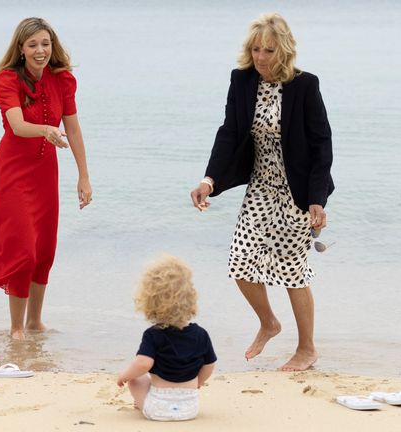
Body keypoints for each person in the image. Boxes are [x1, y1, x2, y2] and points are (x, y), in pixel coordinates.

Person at [189, 13, 334, 371]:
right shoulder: (241, 81)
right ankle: (269, 323)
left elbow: (321, 144)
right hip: (260, 189)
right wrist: (209, 180)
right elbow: (229, 132)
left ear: (282, 51)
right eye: (256, 49)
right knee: (240, 261)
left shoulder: (305, 86)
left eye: (269, 50)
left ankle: (306, 349)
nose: (261, 57)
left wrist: (317, 198)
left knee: (291, 270)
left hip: (296, 192)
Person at [0, 17, 92, 340]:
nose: (40, 50)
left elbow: (72, 128)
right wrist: (45, 130)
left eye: (45, 43)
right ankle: (16, 328)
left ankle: (35, 323)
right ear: (21, 49)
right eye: (33, 45)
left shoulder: (63, 80)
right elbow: (16, 125)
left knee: (44, 249)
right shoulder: (6, 80)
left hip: (45, 173)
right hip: (12, 172)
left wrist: (84, 176)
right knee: (22, 250)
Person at [117, 255, 217, 421]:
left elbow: (143, 363)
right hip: (190, 408)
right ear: (190, 298)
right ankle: (151, 400)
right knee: (147, 378)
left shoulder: (153, 335)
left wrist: (124, 376)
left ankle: (141, 402)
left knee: (136, 378)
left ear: (149, 301)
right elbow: (209, 365)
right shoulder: (201, 334)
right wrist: (198, 382)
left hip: (157, 408)